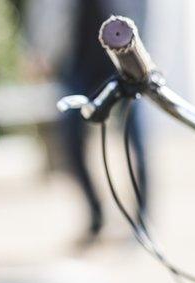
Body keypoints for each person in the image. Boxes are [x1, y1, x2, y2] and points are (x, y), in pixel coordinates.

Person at [25, 0, 149, 244]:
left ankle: (143, 220)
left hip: (125, 57)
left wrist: (145, 55)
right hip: (76, 59)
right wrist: (40, 50)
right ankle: (95, 213)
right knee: (69, 137)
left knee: (135, 139)